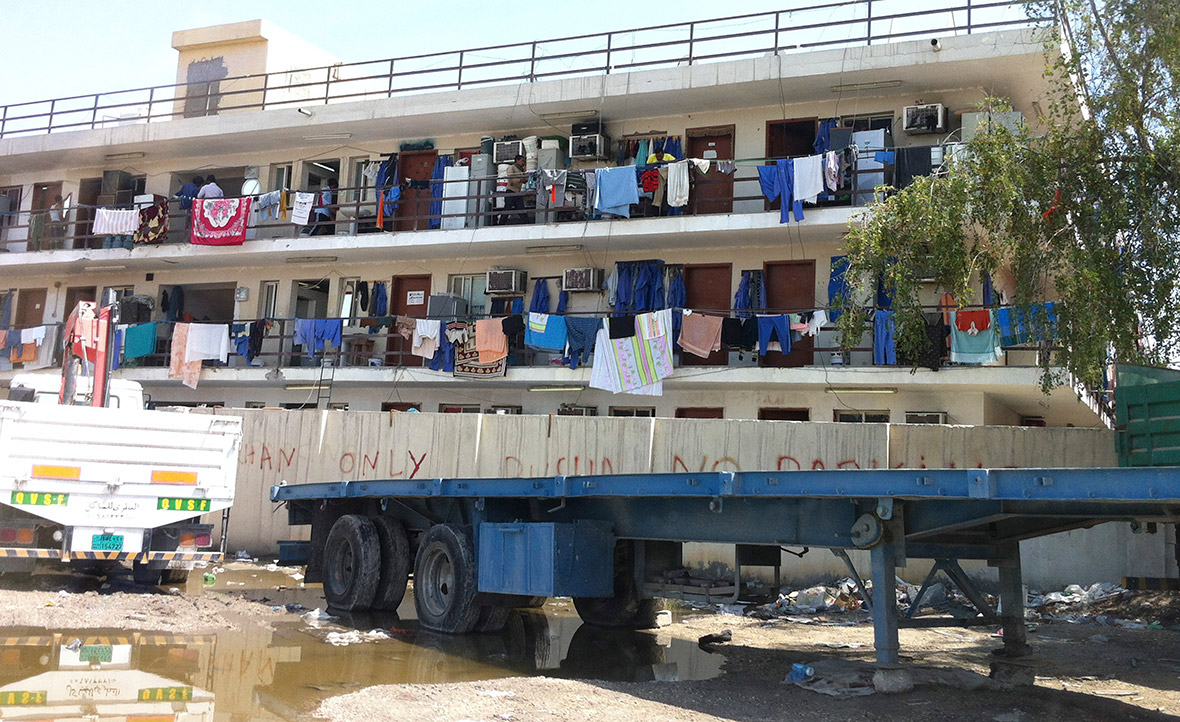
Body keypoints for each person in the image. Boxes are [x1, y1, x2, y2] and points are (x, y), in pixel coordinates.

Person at [503, 154, 527, 225]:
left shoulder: (521, 170)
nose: (523, 162)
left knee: (521, 209)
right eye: (522, 161)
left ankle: (527, 223)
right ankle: (501, 223)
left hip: (517, 192)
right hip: (511, 191)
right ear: (517, 160)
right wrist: (520, 180)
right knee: (507, 209)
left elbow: (524, 178)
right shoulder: (512, 168)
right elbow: (510, 178)